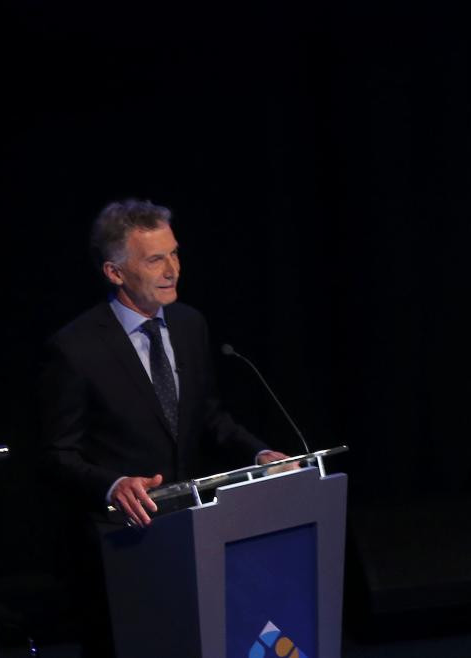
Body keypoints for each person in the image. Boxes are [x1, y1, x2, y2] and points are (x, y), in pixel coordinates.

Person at [39, 199, 292, 654]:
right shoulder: (75, 348)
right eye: (155, 259)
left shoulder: (190, 323)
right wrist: (113, 484)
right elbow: (58, 454)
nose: (172, 269)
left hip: (194, 530)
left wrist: (260, 454)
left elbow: (209, 417)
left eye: (174, 254)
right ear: (115, 273)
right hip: (121, 543)